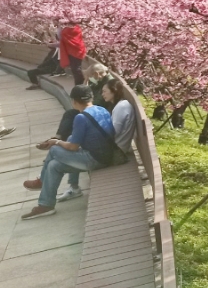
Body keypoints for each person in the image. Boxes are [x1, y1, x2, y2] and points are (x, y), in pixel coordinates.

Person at [21, 85, 114, 219]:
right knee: (53, 166)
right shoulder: (101, 109)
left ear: (74, 101)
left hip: (95, 159)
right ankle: (46, 205)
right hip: (106, 155)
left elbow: (73, 147)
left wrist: (56, 142)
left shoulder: (81, 118)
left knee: (54, 149)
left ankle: (42, 180)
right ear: (91, 97)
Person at [102, 79, 136, 154]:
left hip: (117, 150)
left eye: (105, 91)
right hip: (118, 147)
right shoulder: (121, 105)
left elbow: (114, 132)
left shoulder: (121, 107)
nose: (103, 94)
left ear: (114, 91)